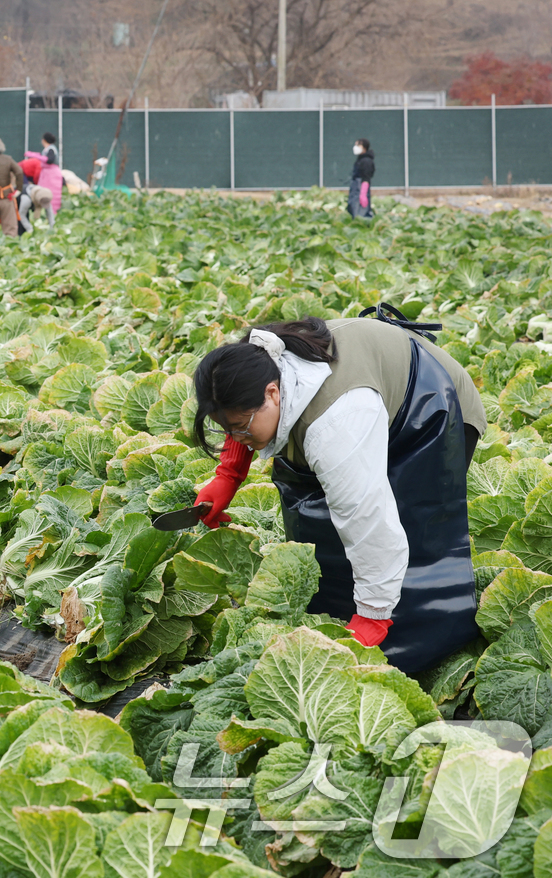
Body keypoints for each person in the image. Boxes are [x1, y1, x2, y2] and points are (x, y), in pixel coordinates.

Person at [191, 308, 486, 675]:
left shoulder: (336, 423)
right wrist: (229, 473)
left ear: (273, 393)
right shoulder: (254, 362)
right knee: (331, 527)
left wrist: (374, 616)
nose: (235, 437)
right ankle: (351, 607)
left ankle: (430, 642)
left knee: (413, 530)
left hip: (434, 406)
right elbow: (239, 412)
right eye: (227, 430)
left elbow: (369, 522)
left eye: (240, 428)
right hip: (374, 391)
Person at [34, 132, 64, 213]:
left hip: (52, 175)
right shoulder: (47, 149)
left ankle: (53, 212)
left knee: (52, 194)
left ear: (44, 140)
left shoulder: (51, 149)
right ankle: (44, 212)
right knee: (44, 192)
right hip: (46, 174)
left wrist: (39, 157)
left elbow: (50, 160)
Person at [348, 139, 375, 219]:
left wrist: (363, 194)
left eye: (358, 145)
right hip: (356, 190)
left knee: (361, 212)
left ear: (364, 147)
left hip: (360, 189)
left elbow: (366, 178)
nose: (355, 147)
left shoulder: (366, 161)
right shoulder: (360, 159)